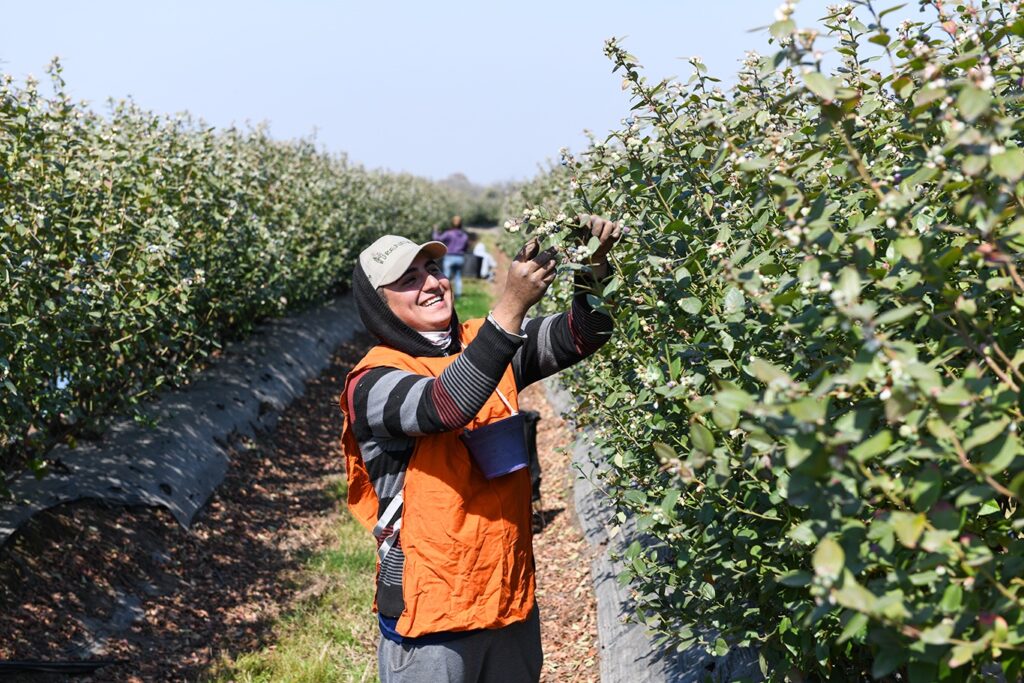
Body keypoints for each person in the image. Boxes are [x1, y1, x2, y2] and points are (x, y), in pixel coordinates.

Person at [339, 215, 621, 683]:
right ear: (380, 306)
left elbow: (582, 333)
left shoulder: (480, 342)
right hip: (430, 612)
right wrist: (509, 307)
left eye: (432, 269)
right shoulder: (371, 382)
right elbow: (443, 405)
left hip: (506, 594)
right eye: (408, 280)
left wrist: (593, 268)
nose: (430, 283)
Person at [433, 215, 469, 297]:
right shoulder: (465, 236)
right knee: (458, 277)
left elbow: (437, 238)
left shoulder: (449, 234)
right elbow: (466, 248)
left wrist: (435, 230)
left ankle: (445, 294)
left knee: (446, 277)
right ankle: (458, 295)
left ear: (452, 223)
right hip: (460, 258)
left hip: (450, 257)